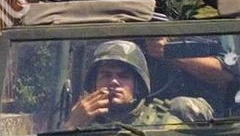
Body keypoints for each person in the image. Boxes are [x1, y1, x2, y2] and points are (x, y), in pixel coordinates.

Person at [59, 40, 212, 130]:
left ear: (138, 84)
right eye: (106, 75)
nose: (113, 82)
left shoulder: (163, 122)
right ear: (94, 84)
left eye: (123, 76)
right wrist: (72, 125)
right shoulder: (81, 124)